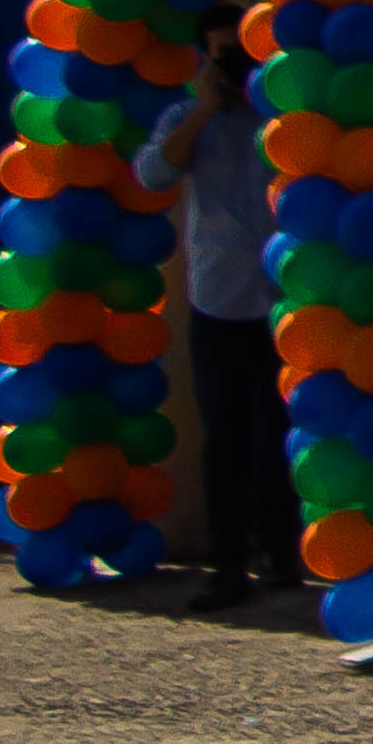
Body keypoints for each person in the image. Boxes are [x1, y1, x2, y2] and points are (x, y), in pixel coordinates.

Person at [131, 52, 289, 611]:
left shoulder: (283, 115)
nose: (232, 72)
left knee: (283, 431)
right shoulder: (186, 118)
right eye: (221, 60)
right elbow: (153, 173)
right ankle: (229, 563)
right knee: (225, 438)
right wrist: (204, 107)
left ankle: (284, 554)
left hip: (282, 297)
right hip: (219, 301)